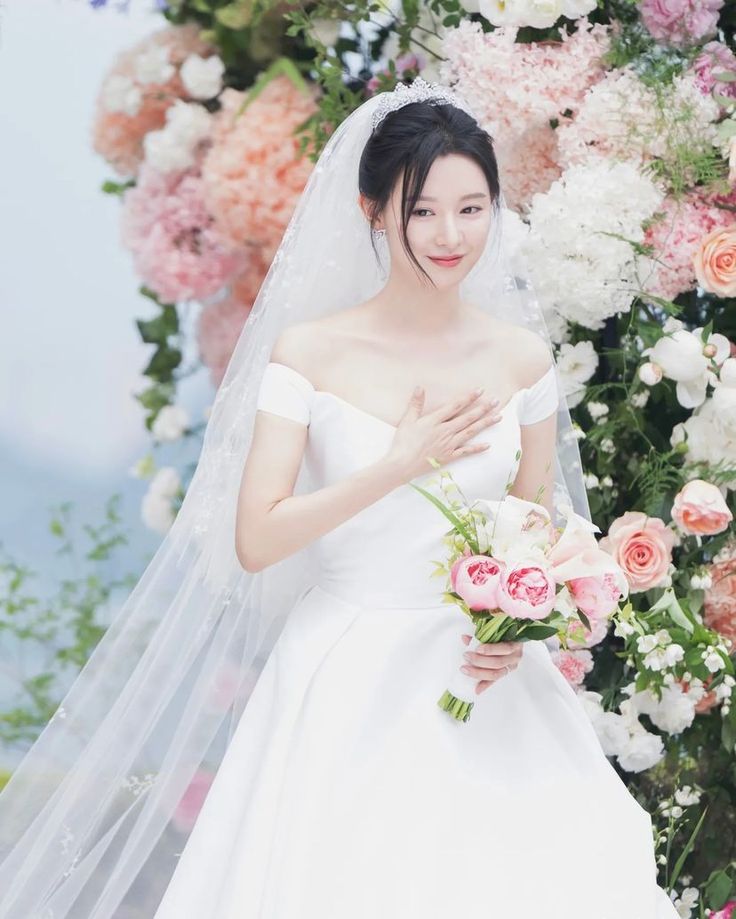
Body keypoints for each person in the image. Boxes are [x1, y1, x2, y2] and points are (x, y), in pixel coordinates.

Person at [0, 79, 678, 918]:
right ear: (371, 210)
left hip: (485, 679)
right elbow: (257, 536)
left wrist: (519, 628)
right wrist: (398, 461)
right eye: (422, 211)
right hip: (350, 671)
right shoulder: (312, 352)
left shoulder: (519, 360)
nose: (450, 235)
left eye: (473, 209)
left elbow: (527, 528)